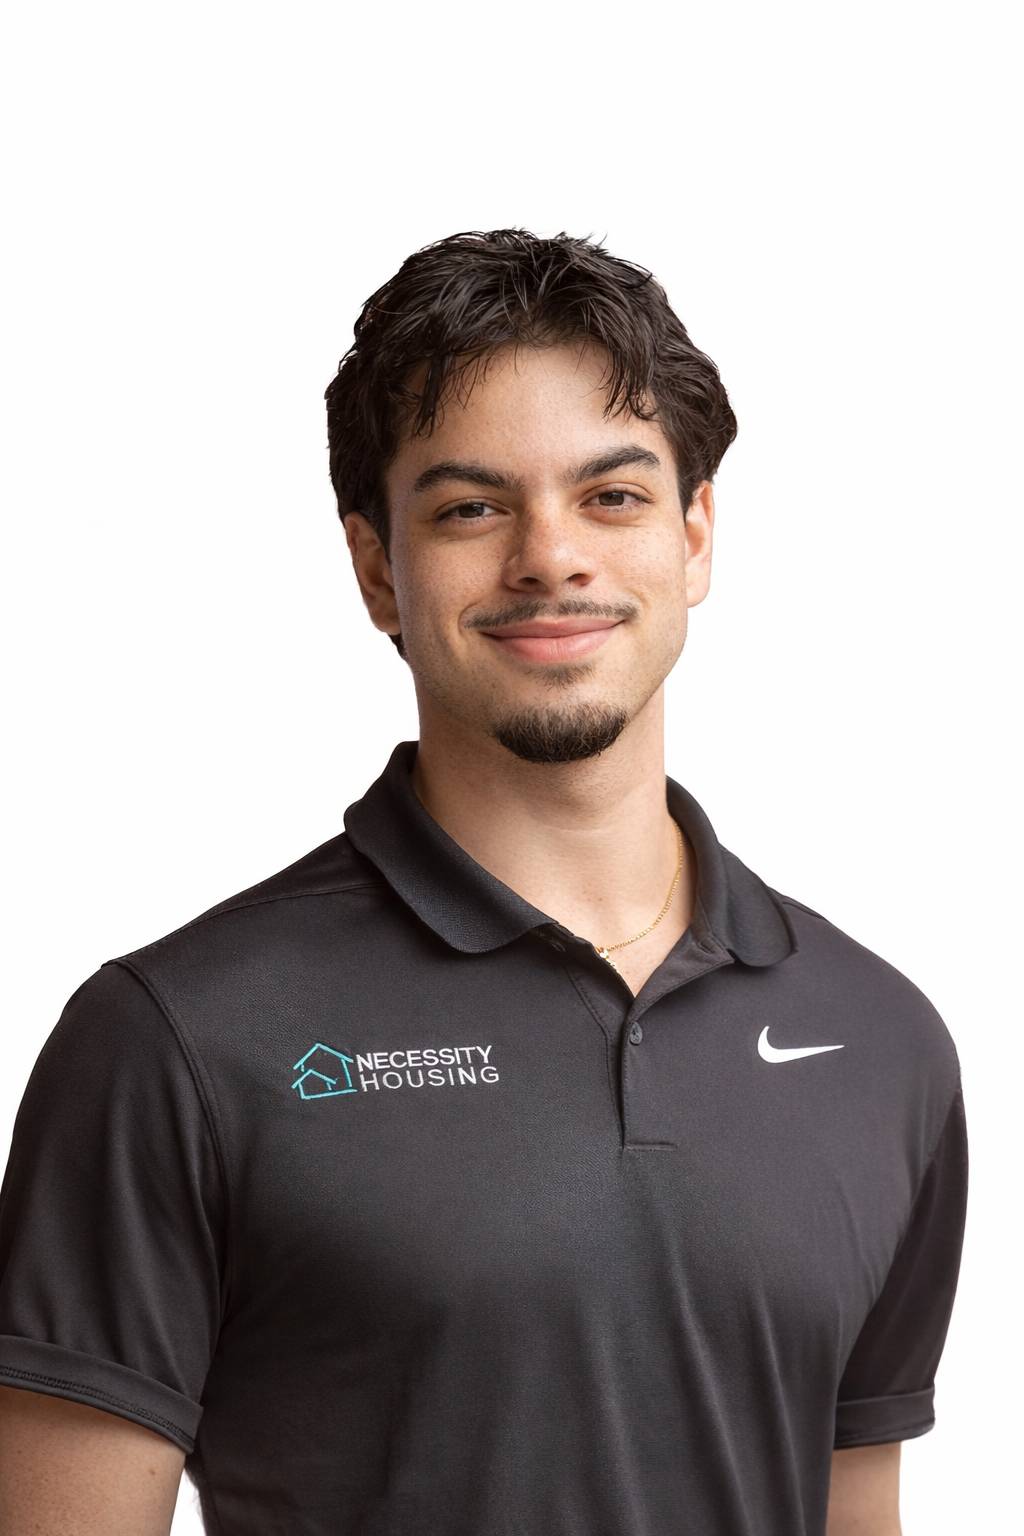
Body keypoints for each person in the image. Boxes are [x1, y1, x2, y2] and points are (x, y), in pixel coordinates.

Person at [0, 231, 966, 1536]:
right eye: (470, 507)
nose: (550, 556)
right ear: (378, 567)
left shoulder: (879, 1041)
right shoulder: (178, 1043)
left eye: (613, 498)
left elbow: (853, 1508)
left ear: (695, 536)